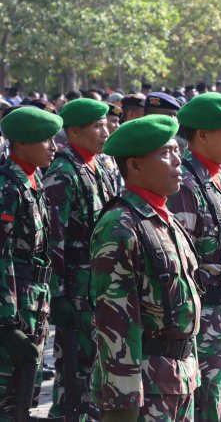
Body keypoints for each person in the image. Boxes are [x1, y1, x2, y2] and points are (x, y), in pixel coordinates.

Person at [89, 115, 202, 420]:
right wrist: (123, 403)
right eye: (165, 154)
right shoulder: (121, 226)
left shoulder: (164, 219)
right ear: (135, 166)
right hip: (145, 386)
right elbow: (115, 322)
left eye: (177, 150)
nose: (178, 160)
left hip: (177, 379)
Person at [167, 93, 221, 421]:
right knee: (206, 413)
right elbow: (181, 266)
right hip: (207, 329)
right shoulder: (185, 186)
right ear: (202, 135)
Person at [43, 98, 116, 418]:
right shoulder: (63, 172)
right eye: (97, 126)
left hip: (103, 285)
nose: (105, 131)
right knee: (73, 370)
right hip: (75, 290)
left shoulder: (103, 165)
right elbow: (52, 240)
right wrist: (57, 295)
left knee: (100, 366)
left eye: (105, 124)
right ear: (73, 132)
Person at [0, 107, 62, 417]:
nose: (54, 147)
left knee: (25, 397)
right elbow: (2, 257)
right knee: (8, 396)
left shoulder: (31, 181)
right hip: (14, 311)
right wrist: (7, 322)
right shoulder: (6, 187)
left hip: (34, 303)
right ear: (22, 143)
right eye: (46, 140)